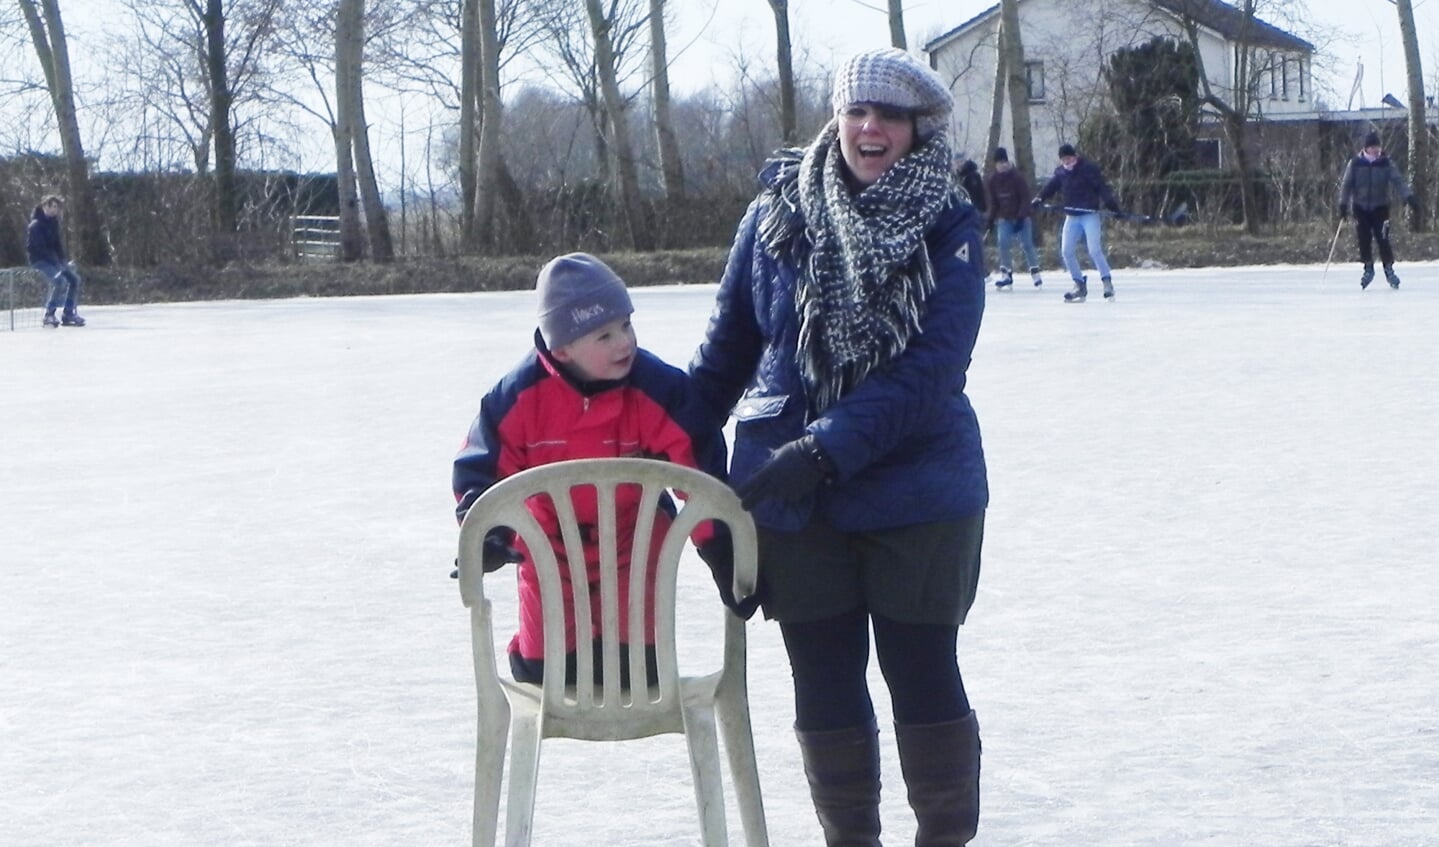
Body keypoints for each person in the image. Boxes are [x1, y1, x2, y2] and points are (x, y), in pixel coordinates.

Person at [689, 47, 988, 846]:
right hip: (792, 498)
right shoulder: (775, 213)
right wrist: (706, 510)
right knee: (821, 678)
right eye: (856, 110)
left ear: (917, 128)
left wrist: (824, 449)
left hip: (918, 483)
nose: (869, 127)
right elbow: (719, 365)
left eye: (888, 115)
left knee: (920, 673)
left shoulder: (949, 220)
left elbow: (933, 367)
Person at [451, 252, 738, 686]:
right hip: (549, 542)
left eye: (626, 325)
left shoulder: (657, 386)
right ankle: (533, 653)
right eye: (603, 336)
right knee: (547, 674)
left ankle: (631, 645)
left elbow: (697, 462)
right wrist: (488, 534)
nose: (624, 342)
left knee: (637, 671)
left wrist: (719, 547)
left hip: (633, 535)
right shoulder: (516, 397)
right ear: (561, 348)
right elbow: (481, 469)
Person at [1031, 143, 1121, 302]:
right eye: (1064, 159)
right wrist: (1039, 198)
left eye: (1069, 158)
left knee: (1094, 250)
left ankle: (1107, 282)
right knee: (1066, 251)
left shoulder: (1087, 169)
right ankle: (1079, 284)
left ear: (1075, 156)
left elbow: (1102, 188)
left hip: (1089, 215)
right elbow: (1050, 187)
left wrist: (1112, 205)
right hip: (1072, 216)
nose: (1067, 162)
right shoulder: (1061, 173)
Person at [1338, 130, 1419, 289]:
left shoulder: (1386, 162)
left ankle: (1389, 269)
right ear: (1366, 148)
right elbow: (1346, 185)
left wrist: (1409, 197)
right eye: (1372, 147)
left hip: (1380, 208)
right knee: (1364, 239)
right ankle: (1368, 268)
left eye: (1377, 146)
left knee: (1383, 239)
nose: (1376, 150)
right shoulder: (1355, 163)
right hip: (1360, 208)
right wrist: (1342, 204)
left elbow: (1398, 181)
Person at [984, 147, 1043, 289]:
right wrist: (990, 220)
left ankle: (1035, 272)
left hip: (1021, 216)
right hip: (1004, 217)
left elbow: (1024, 198)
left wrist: (1022, 217)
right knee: (1003, 243)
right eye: (999, 163)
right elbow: (993, 201)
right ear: (995, 165)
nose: (1002, 165)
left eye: (1004, 162)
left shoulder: (1017, 177)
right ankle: (1006, 274)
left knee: (1027, 244)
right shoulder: (993, 180)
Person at [26, 195, 85, 327]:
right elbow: (40, 249)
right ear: (44, 206)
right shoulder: (35, 226)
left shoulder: (54, 223)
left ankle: (68, 313)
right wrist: (56, 263)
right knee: (59, 281)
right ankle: (49, 314)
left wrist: (62, 260)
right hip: (40, 260)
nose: (55, 210)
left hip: (54, 260)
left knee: (74, 279)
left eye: (57, 208)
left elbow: (57, 244)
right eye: (52, 207)